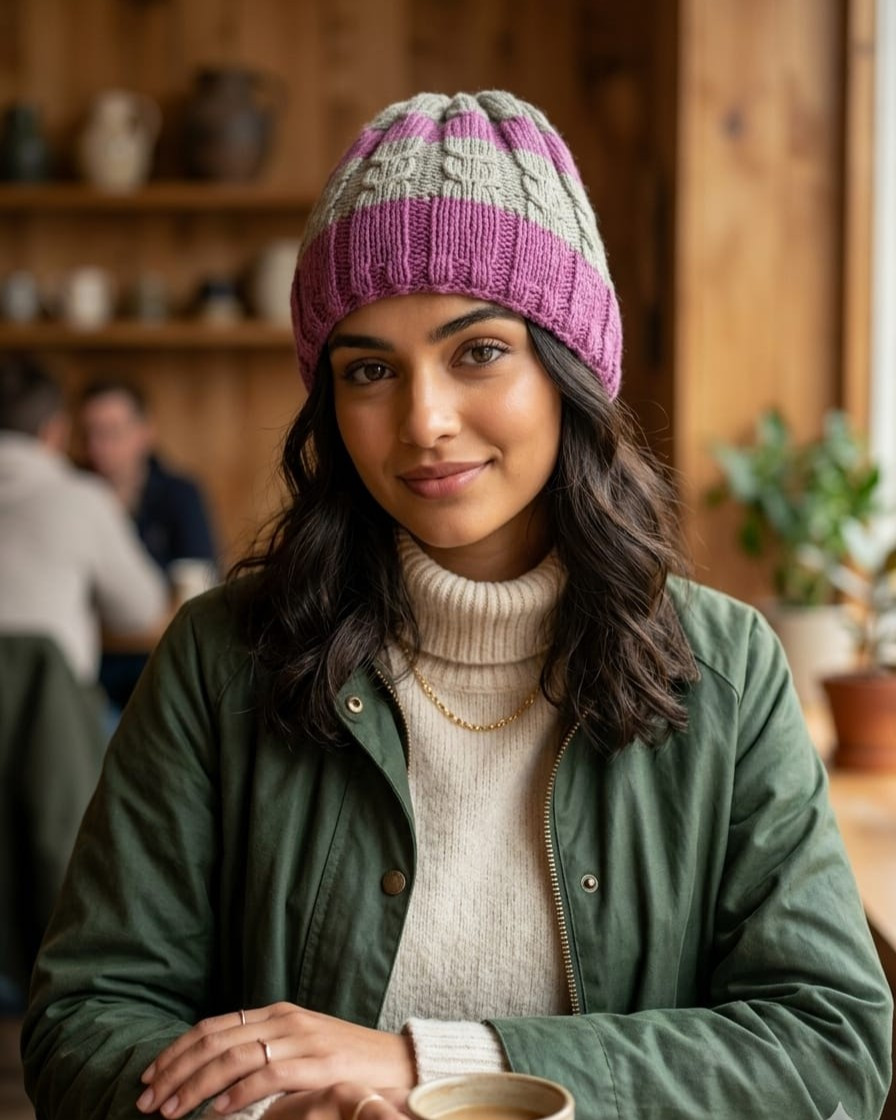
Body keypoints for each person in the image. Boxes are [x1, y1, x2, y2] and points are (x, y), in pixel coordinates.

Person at [22, 91, 892, 1120]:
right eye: (369, 369)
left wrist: (421, 1062)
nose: (423, 421)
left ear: (565, 371)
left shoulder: (727, 666)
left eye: (476, 351)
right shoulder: (223, 658)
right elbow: (86, 1014)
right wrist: (269, 1108)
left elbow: (826, 1040)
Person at [0, 355, 169, 686]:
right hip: (52, 723)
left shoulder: (174, 491)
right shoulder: (83, 498)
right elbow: (143, 610)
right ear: (56, 431)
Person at [78, 377, 218, 708]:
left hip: (159, 663)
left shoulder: (179, 494)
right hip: (87, 670)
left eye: (112, 432)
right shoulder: (71, 494)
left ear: (145, 432)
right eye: (89, 434)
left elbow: (197, 591)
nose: (99, 447)